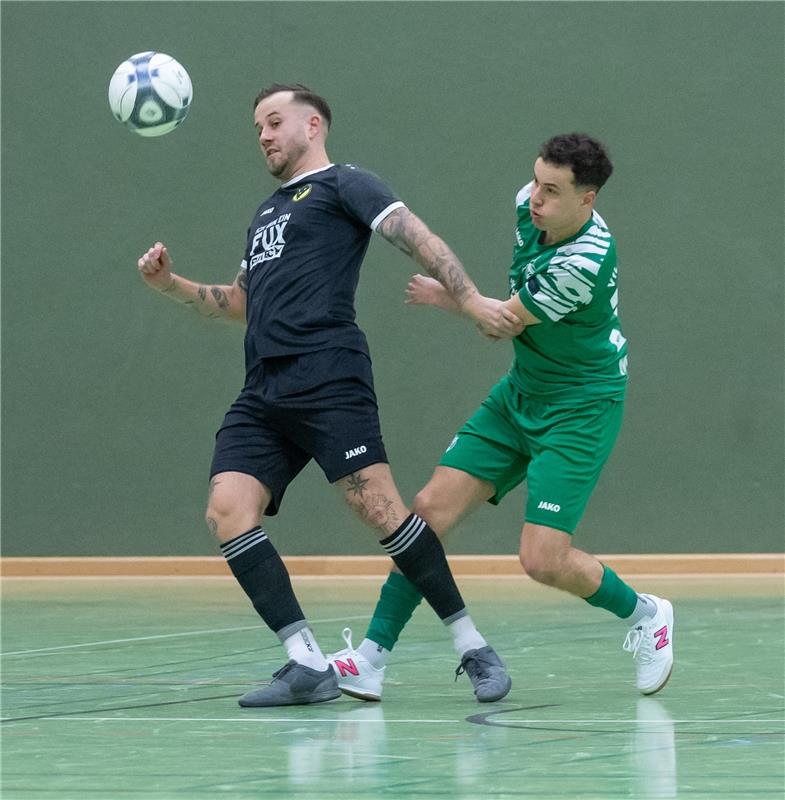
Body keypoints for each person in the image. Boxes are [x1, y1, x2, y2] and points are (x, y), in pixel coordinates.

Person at [136, 84, 523, 707]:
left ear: (312, 125)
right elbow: (240, 303)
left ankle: (472, 645)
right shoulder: (264, 214)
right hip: (262, 390)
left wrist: (471, 296)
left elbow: (415, 235)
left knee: (382, 513)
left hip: (327, 376)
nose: (263, 134)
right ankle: (306, 663)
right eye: (257, 126)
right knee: (227, 510)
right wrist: (169, 285)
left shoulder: (346, 184)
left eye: (274, 121)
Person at [329, 133, 675, 701]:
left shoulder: (582, 262)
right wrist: (468, 299)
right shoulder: (527, 205)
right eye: (536, 181)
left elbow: (501, 323)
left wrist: (451, 297)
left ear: (587, 200)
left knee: (542, 559)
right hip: (522, 391)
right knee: (426, 513)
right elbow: (502, 312)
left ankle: (645, 614)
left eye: (553, 191)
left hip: (580, 406)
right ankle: (370, 659)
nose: (536, 198)